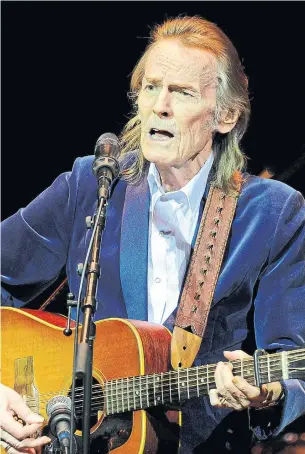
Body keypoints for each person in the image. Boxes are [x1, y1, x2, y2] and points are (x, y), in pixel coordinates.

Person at [1, 15, 305, 454]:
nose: (159, 106)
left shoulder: (273, 212)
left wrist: (270, 394)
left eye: (181, 93)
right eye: (150, 87)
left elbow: (291, 358)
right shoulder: (91, 184)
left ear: (226, 115)